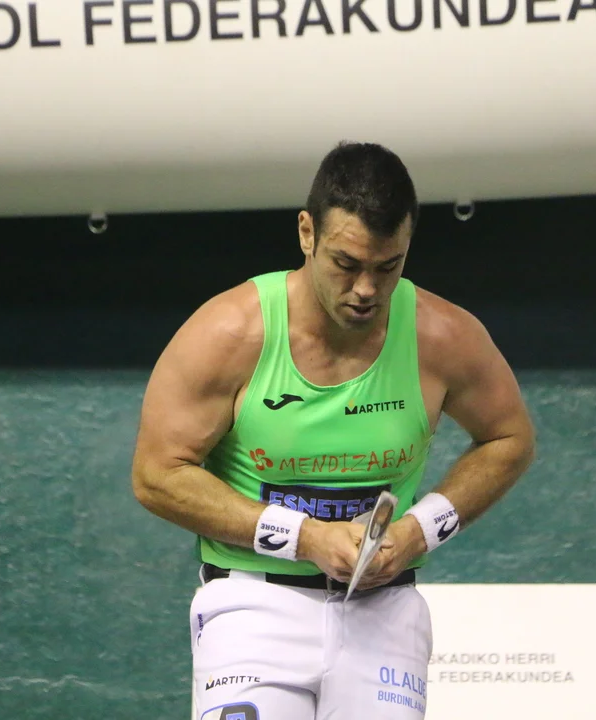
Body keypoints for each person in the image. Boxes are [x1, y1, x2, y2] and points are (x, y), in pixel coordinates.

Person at [131, 140, 535, 720]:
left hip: (385, 614)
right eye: (346, 264)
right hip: (252, 608)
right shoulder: (231, 333)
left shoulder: (443, 336)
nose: (367, 289)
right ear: (307, 233)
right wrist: (305, 537)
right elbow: (157, 475)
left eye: (388, 266)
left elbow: (509, 440)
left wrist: (417, 533)